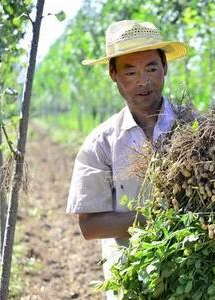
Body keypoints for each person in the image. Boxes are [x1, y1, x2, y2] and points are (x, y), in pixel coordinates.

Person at [66, 20, 187, 298]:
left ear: (165, 67)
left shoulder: (196, 128)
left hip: (195, 275)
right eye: (130, 72)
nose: (143, 81)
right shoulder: (102, 143)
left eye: (152, 68)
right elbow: (89, 225)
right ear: (113, 74)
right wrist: (157, 220)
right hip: (133, 279)